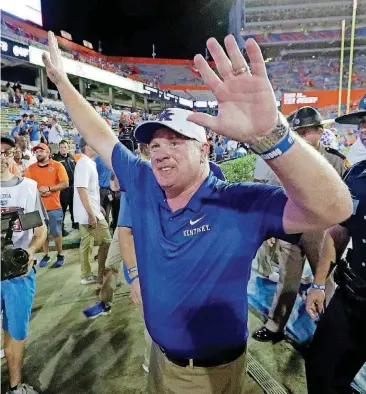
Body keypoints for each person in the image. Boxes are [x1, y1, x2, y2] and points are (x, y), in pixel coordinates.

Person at [43, 31, 352, 393]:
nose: (159, 151)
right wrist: (62, 81)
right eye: (155, 143)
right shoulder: (144, 180)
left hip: (207, 374)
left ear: (205, 148)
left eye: (175, 141)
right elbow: (99, 133)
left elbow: (335, 208)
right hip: (159, 355)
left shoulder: (238, 201)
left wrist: (271, 135)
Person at [253, 106, 347, 342]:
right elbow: (275, 195)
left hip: (322, 232)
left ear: (319, 131)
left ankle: (331, 332)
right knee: (287, 280)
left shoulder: (336, 160)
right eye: (299, 133)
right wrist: (271, 227)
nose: (304, 137)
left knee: (324, 280)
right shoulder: (285, 161)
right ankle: (276, 326)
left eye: (308, 131)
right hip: (291, 228)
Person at [305, 158, 366, 393]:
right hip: (352, 295)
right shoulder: (357, 175)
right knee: (321, 368)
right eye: (362, 122)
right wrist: (319, 284)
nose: (364, 129)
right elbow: (338, 231)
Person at [1, 134, 47, 394]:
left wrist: (29, 252)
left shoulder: (26, 188)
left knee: (16, 331)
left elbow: (38, 231)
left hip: (17, 273)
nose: (1, 157)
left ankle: (15, 386)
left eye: (6, 152)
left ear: (12, 155)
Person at [73, 138, 112, 285]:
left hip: (89, 211)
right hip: (89, 214)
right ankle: (103, 276)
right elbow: (82, 190)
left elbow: (89, 191)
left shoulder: (87, 163)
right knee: (107, 242)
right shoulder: (84, 164)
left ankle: (86, 275)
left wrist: (97, 206)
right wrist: (91, 213)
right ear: (88, 146)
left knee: (86, 244)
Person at [24, 143, 69, 268]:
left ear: (48, 152)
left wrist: (50, 188)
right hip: (37, 208)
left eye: (41, 151)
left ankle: (60, 254)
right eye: (37, 151)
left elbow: (65, 183)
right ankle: (46, 255)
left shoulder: (57, 166)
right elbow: (27, 186)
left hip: (54, 206)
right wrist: (39, 191)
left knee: (56, 233)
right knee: (41, 234)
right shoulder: (31, 168)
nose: (39, 153)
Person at [53, 140, 77, 234]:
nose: (63, 149)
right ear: (59, 148)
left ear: (68, 148)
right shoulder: (56, 159)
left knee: (73, 208)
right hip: (62, 189)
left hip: (72, 188)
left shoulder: (71, 157)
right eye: (61, 147)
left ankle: (75, 224)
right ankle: (61, 229)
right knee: (62, 210)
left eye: (65, 147)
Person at [95, 155, 113, 226]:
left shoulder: (96, 160)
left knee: (104, 212)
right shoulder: (98, 160)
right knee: (106, 212)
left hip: (105, 189)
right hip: (105, 190)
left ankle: (105, 227)